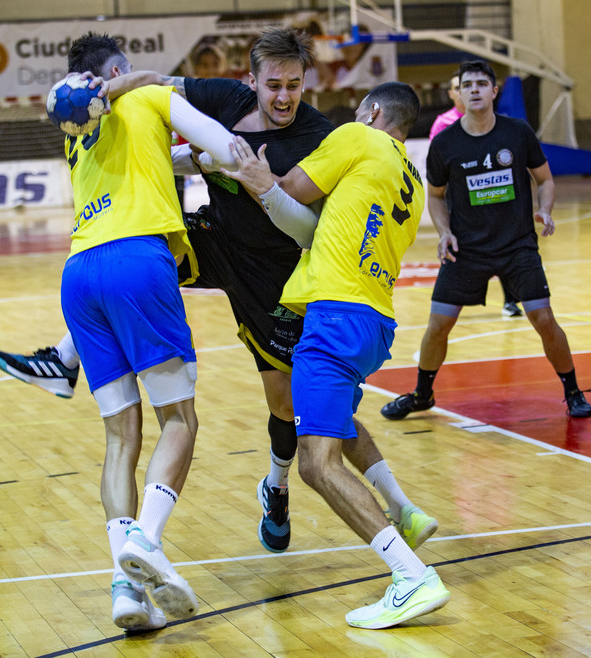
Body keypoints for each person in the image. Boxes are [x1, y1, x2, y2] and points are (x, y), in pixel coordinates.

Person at [0, 29, 437, 559]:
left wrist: (251, 178)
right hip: (218, 240)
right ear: (252, 80)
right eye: (274, 85)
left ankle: (282, 487)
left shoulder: (321, 135)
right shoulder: (226, 99)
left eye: (294, 85)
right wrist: (109, 99)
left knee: (290, 404)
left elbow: (311, 230)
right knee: (150, 263)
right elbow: (154, 85)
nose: (284, 96)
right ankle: (63, 357)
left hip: (277, 275)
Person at [226, 81, 450, 630]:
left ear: (372, 112)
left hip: (335, 316)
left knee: (314, 463)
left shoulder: (356, 137)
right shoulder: (412, 179)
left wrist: (253, 176)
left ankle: (410, 575)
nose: (352, 116)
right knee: (339, 427)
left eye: (358, 110)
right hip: (374, 320)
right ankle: (401, 507)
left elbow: (292, 188)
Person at [51, 32, 242, 633]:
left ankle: (125, 591)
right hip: (139, 262)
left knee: (119, 440)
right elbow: (225, 149)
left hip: (79, 276)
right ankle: (149, 542)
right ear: (114, 70)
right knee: (180, 421)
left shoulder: (75, 133)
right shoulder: (154, 98)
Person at [380, 60, 591, 421]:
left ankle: (572, 391)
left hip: (517, 246)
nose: (475, 89)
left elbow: (546, 179)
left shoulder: (517, 133)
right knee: (438, 324)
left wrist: (545, 210)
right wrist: (445, 232)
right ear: (459, 93)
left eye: (482, 83)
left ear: (494, 91)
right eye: (468, 84)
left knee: (543, 317)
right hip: (467, 250)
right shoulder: (445, 144)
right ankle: (422, 394)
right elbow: (434, 196)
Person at [431, 71, 522, 318]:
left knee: (503, 238)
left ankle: (510, 300)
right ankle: (451, 296)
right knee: (459, 242)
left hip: (487, 192)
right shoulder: (443, 123)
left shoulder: (492, 121)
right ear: (453, 93)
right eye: (459, 87)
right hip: (458, 197)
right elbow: (437, 162)